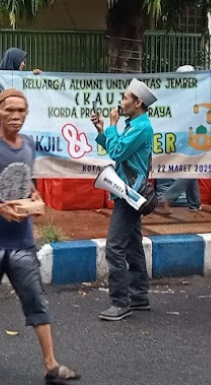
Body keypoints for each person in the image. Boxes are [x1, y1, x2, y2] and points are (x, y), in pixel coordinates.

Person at [0, 88, 80, 384]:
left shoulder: (29, 144)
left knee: (35, 298)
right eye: (9, 110)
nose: (15, 116)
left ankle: (51, 364)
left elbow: (25, 178)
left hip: (20, 239)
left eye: (21, 110)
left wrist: (34, 195)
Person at [93, 79, 158, 322]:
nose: (121, 102)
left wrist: (111, 125)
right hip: (127, 191)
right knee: (132, 244)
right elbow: (118, 149)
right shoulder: (135, 125)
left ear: (138, 102)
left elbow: (118, 152)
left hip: (129, 194)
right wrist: (103, 131)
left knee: (114, 247)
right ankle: (139, 295)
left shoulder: (141, 127)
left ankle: (120, 302)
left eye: (125, 97)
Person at [155, 65, 201, 214]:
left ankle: (195, 203)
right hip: (185, 136)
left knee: (192, 167)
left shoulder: (175, 94)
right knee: (192, 168)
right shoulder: (190, 95)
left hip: (177, 136)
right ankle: (168, 197)